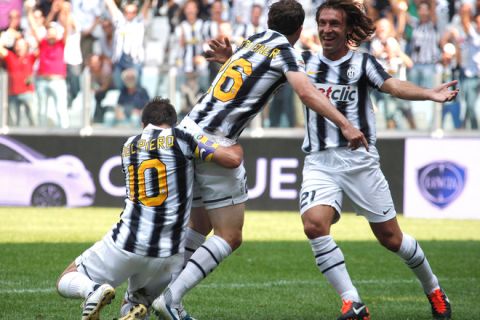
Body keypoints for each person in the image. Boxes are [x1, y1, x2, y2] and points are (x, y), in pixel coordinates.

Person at [151, 1, 368, 319]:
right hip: (215, 141)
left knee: (198, 226)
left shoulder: (253, 40)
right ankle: (170, 298)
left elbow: (243, 75)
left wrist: (227, 58)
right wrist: (346, 124)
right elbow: (306, 93)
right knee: (229, 235)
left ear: (269, 20)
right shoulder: (286, 51)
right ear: (299, 30)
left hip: (187, 131)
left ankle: (149, 294)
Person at [297, 1, 455, 319]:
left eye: (334, 24)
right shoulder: (303, 62)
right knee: (314, 225)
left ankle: (435, 289)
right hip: (319, 161)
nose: (327, 29)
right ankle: (352, 302)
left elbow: (393, 85)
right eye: (322, 23)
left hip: (360, 162)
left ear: (347, 30)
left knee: (391, 238)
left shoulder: (362, 64)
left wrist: (428, 93)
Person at [55, 97, 243, 320]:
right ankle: (134, 307)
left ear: (144, 124)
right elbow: (232, 159)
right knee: (135, 304)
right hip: (168, 255)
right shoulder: (183, 138)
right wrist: (235, 144)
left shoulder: (129, 145)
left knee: (66, 278)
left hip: (126, 244)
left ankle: (92, 290)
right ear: (173, 122)